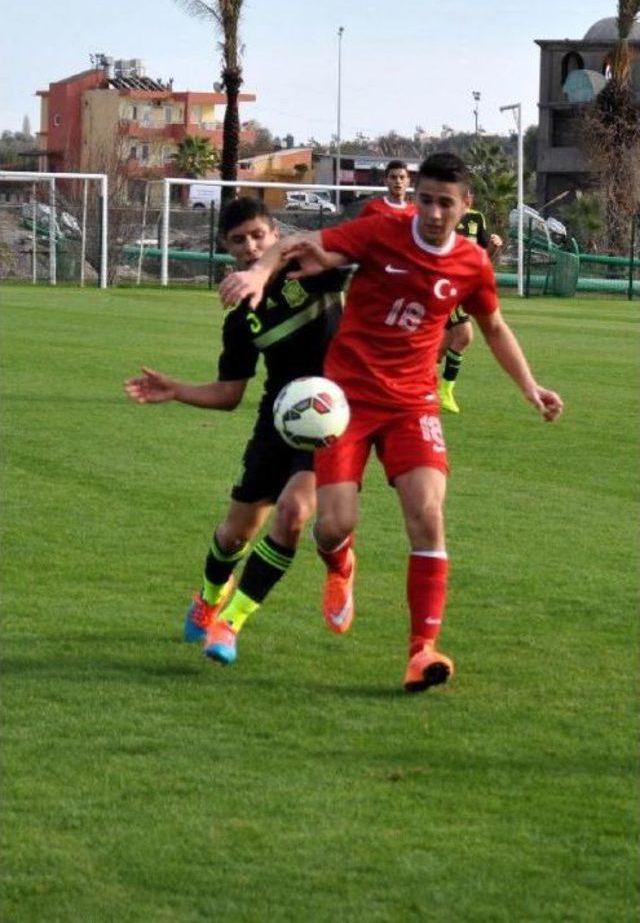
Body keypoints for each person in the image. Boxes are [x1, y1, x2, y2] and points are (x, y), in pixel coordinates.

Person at [219, 153, 563, 694]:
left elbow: (493, 326)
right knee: (332, 525)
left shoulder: (472, 263)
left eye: (444, 203)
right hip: (347, 403)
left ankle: (420, 651)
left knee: (427, 512)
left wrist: (530, 387)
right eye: (424, 199)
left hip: (412, 404)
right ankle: (340, 563)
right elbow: (297, 243)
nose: (430, 212)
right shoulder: (383, 230)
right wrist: (260, 272)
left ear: (465, 206)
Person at [124, 197, 346, 666]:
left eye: (258, 236)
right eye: (238, 240)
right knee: (235, 536)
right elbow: (229, 395)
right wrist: (177, 390)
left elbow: (342, 250)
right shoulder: (240, 319)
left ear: (273, 235)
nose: (250, 246)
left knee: (293, 513)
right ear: (226, 248)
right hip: (277, 423)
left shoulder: (315, 270)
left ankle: (231, 623)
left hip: (329, 421)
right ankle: (208, 598)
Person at [438, 202, 503, 414]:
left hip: (466, 286)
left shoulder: (477, 218)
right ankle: (445, 391)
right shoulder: (443, 217)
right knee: (464, 335)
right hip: (447, 286)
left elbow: (482, 256)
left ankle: (416, 385)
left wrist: (494, 245)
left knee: (440, 347)